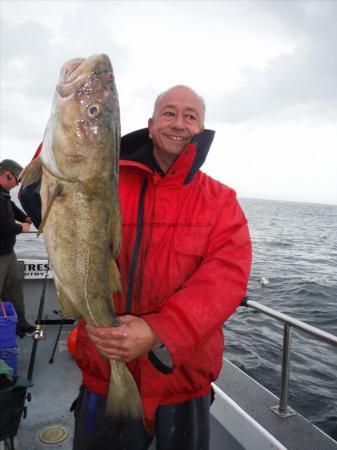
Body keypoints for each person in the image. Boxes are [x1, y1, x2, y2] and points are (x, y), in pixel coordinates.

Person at [22, 85, 252, 450]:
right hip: (103, 366)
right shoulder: (100, 180)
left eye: (190, 116)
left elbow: (226, 280)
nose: (179, 123)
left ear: (202, 127)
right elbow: (33, 193)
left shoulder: (222, 202)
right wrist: (73, 122)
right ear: (150, 124)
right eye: (169, 113)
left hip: (182, 379)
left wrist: (158, 330)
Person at [0, 159, 36, 337]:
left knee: (14, 291)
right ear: (7, 174)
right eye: (17, 180)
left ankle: (20, 325)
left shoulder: (4, 194)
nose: (17, 185)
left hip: (8, 253)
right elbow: (4, 226)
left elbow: (12, 207)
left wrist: (25, 218)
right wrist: (22, 228)